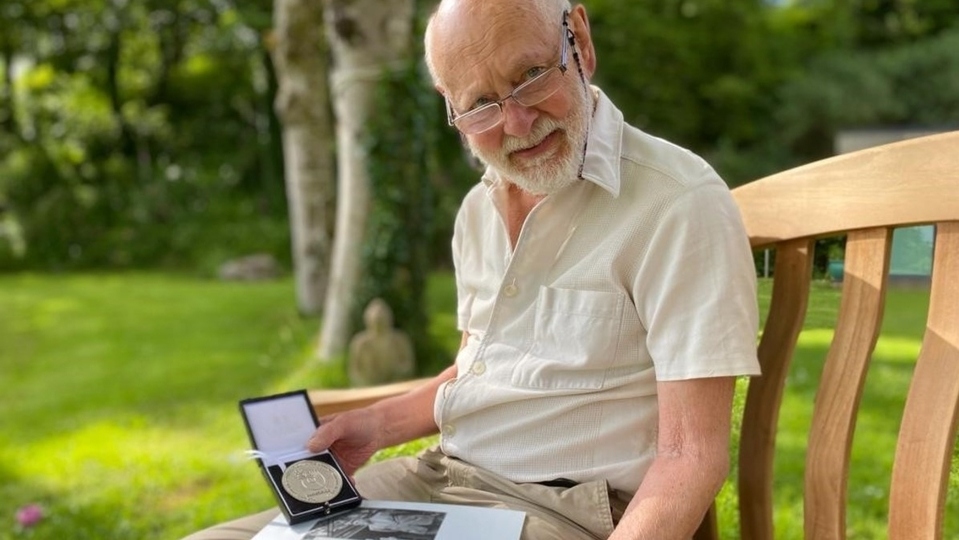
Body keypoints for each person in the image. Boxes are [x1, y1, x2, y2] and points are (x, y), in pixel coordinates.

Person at [184, 0, 760, 538]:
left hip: (561, 510)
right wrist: (380, 424)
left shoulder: (675, 203)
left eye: (531, 75)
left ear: (578, 41)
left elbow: (691, 457)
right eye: (480, 104)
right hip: (440, 479)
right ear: (449, 105)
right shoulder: (476, 211)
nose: (514, 122)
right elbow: (478, 368)